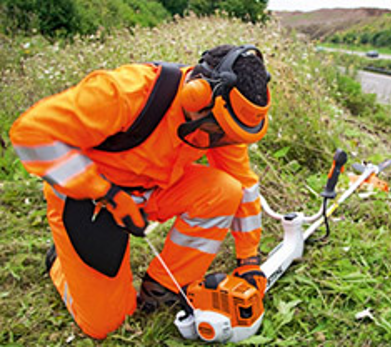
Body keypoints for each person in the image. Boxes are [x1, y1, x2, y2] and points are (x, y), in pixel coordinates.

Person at [10, 44, 270, 339]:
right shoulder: (124, 92)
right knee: (105, 325)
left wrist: (248, 260)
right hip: (90, 198)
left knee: (226, 189)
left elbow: (244, 185)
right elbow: (31, 134)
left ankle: (163, 288)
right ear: (196, 96)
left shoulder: (224, 123)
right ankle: (59, 262)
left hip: (151, 191)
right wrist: (105, 192)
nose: (223, 142)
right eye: (218, 132)